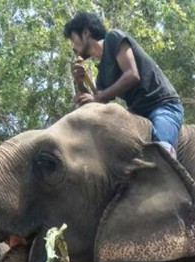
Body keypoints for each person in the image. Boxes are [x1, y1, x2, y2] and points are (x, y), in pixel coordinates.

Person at [63, 11, 185, 158]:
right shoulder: (102, 74)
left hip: (163, 106)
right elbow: (96, 106)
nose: (72, 47)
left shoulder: (113, 38)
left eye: (73, 38)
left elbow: (132, 75)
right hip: (138, 113)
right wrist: (80, 82)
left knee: (161, 154)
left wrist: (97, 97)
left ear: (86, 32)